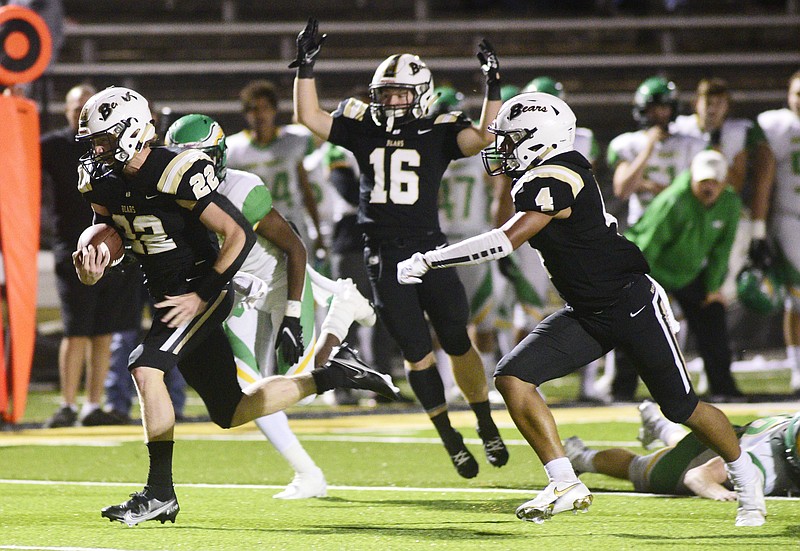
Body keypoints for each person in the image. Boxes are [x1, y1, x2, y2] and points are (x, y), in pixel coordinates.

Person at [396, 91, 766, 526]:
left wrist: (429, 258)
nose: (503, 147)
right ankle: (564, 481)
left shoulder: (556, 174)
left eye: (512, 138)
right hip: (588, 312)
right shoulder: (549, 173)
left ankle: (747, 478)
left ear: (540, 137)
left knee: (681, 408)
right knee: (513, 378)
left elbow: (506, 240)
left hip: (631, 304)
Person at [73, 85, 400, 526]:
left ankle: (159, 494)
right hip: (167, 292)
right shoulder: (101, 179)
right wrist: (94, 263)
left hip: (197, 288)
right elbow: (108, 228)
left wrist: (203, 293)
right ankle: (334, 373)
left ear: (131, 132)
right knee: (230, 410)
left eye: (104, 139)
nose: (97, 149)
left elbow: (239, 234)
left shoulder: (174, 170)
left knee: (145, 367)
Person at [292, 18, 508, 478]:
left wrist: (493, 87)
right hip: (383, 252)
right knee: (415, 351)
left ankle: (486, 422)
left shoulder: (439, 128)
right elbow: (309, 118)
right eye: (385, 93)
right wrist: (305, 69)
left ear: (422, 93)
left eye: (400, 93)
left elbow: (485, 138)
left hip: (429, 250)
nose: (391, 101)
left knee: (456, 338)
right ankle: (450, 437)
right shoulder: (362, 126)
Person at [165, 113, 379, 498]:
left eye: (197, 161)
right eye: (182, 161)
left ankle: (341, 309)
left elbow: (294, 246)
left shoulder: (242, 189)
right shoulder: (171, 198)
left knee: (304, 379)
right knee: (250, 390)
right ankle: (308, 474)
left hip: (281, 284)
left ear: (216, 158)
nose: (188, 171)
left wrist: (294, 316)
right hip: (239, 294)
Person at [40, 83, 135, 428]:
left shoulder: (114, 145)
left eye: (85, 105)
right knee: (76, 329)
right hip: (73, 246)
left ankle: (93, 404)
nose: (78, 111)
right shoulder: (54, 146)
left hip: (112, 246)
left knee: (104, 330)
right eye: (74, 105)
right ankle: (68, 403)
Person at [607, 76, 707, 401]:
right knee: (632, 310)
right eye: (654, 108)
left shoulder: (691, 141)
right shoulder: (630, 143)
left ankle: (695, 383)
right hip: (643, 238)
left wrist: (653, 188)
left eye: (665, 107)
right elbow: (623, 188)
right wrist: (649, 146)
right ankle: (622, 387)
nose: (660, 114)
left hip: (680, 239)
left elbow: (696, 191)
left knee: (693, 311)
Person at [625, 150, 744, 400]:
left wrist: (712, 288)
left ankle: (723, 388)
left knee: (712, 314)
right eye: (703, 182)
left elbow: (721, 250)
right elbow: (648, 245)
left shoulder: (730, 204)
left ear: (724, 182)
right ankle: (621, 389)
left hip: (688, 273)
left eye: (714, 182)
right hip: (651, 268)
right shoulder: (673, 200)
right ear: (692, 179)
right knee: (633, 321)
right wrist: (640, 284)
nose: (708, 188)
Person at [671, 77, 775, 303]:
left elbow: (736, 183)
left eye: (720, 102)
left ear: (728, 106)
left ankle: (717, 298)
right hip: (681, 210)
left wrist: (717, 150)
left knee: (726, 272)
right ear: (695, 102)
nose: (713, 109)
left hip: (720, 211)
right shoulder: (679, 129)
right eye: (708, 101)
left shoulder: (738, 132)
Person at [565, 401, 800, 500]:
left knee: (686, 445)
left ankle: (658, 425)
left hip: (714, 440)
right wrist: (720, 493)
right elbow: (698, 476)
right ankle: (578, 457)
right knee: (639, 469)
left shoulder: (790, 429)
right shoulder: (763, 461)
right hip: (695, 460)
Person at [432, 85, 502, 403]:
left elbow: (502, 187)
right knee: (441, 318)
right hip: (442, 242)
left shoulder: (479, 153)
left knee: (483, 317)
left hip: (475, 240)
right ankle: (448, 383)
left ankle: (484, 381)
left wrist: (499, 230)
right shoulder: (427, 153)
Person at [226, 79, 325, 256]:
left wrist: (318, 230)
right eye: (253, 109)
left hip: (291, 221)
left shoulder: (293, 141)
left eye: (264, 108)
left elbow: (305, 188)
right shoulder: (233, 149)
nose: (259, 115)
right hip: (255, 225)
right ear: (246, 113)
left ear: (274, 110)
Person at [757, 70, 800, 393]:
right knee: (797, 297)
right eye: (797, 93)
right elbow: (766, 176)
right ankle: (797, 365)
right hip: (791, 216)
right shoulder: (778, 126)